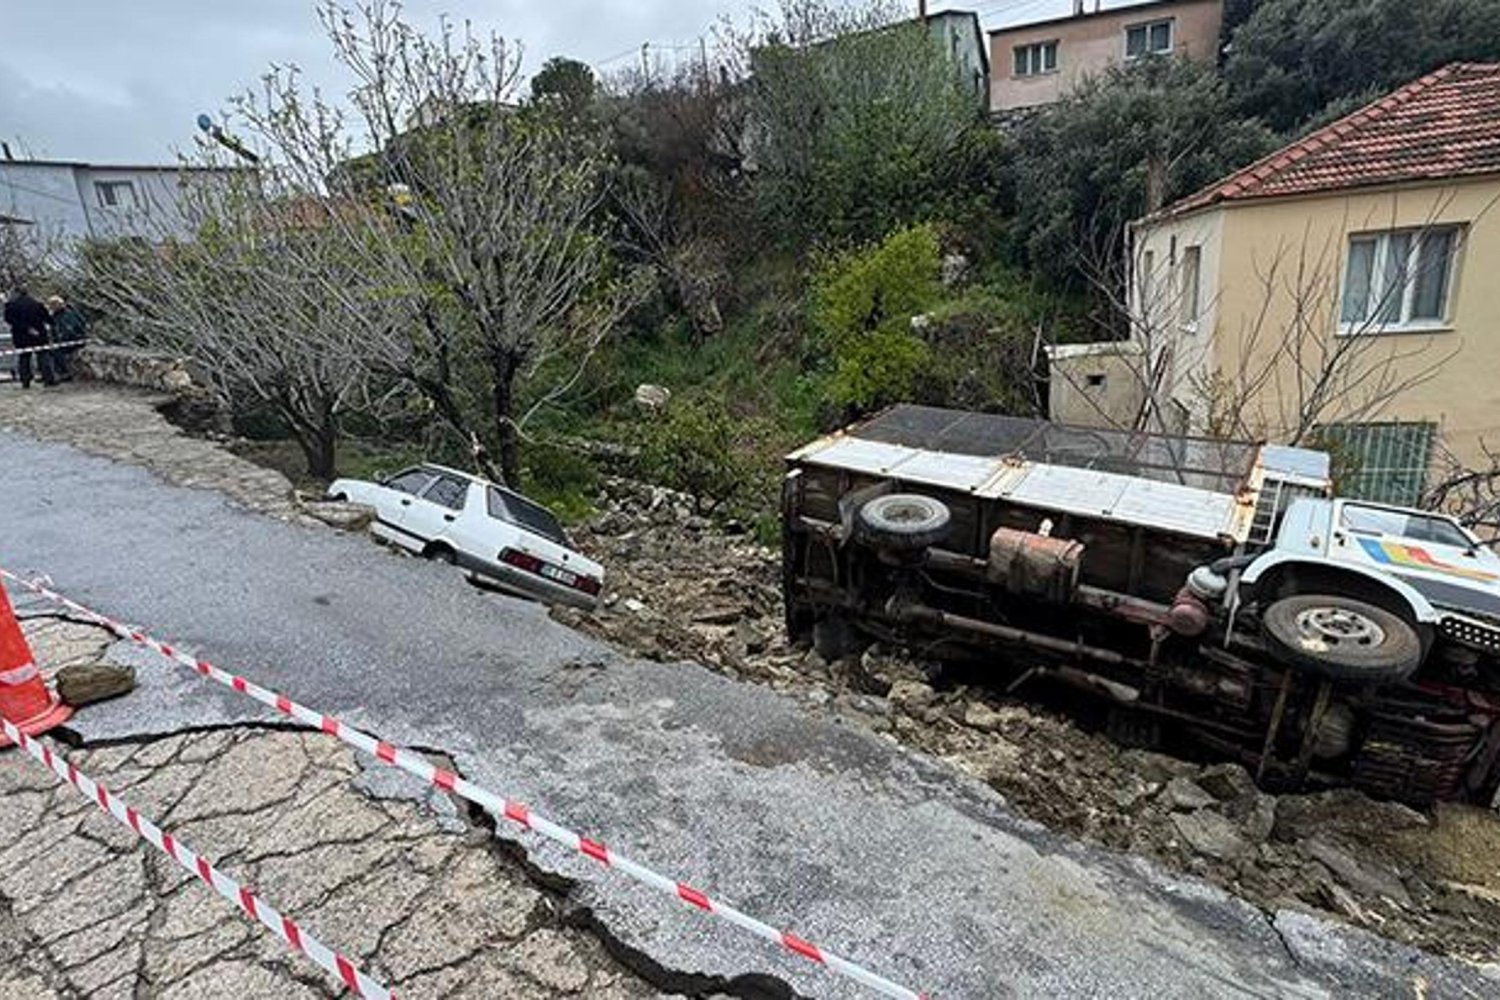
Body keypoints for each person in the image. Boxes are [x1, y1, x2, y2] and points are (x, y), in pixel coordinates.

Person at [2, 286, 55, 388]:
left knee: (24, 358)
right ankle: (48, 379)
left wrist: (25, 328)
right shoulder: (36, 304)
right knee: (43, 356)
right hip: (39, 334)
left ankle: (25, 381)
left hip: (21, 336)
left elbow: (9, 320)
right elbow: (47, 318)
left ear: (16, 293)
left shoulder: (11, 306)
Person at [45, 295, 85, 382]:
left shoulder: (69, 314)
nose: (52, 308)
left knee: (56, 352)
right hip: (63, 341)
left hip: (73, 340)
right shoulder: (55, 316)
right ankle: (54, 373)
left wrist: (63, 337)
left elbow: (71, 328)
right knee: (49, 352)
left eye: (53, 305)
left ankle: (65, 372)